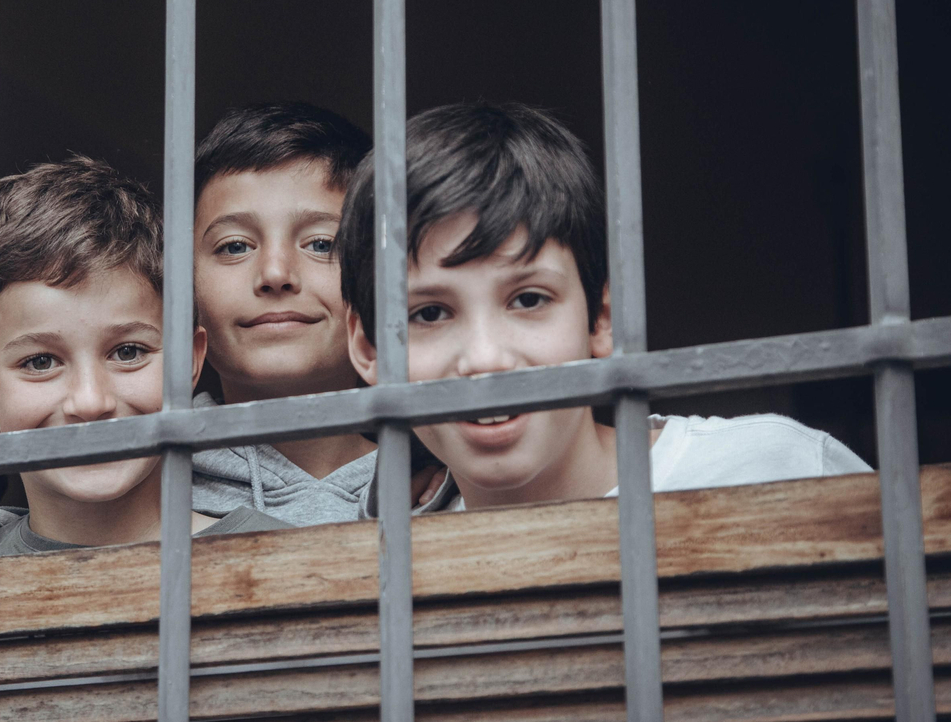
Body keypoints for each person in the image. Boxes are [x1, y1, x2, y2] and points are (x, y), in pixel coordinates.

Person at [336, 101, 870, 514]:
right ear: (368, 348)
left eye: (528, 300)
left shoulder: (773, 469)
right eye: (428, 314)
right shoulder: (398, 556)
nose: (485, 358)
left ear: (601, 319)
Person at [0, 155, 290, 555]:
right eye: (40, 362)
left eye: (128, 352)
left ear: (189, 360)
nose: (91, 401)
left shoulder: (276, 554)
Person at [188, 102, 439, 525]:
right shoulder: (134, 488)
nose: (274, 274)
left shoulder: (451, 478)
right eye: (234, 246)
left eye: (322, 244)